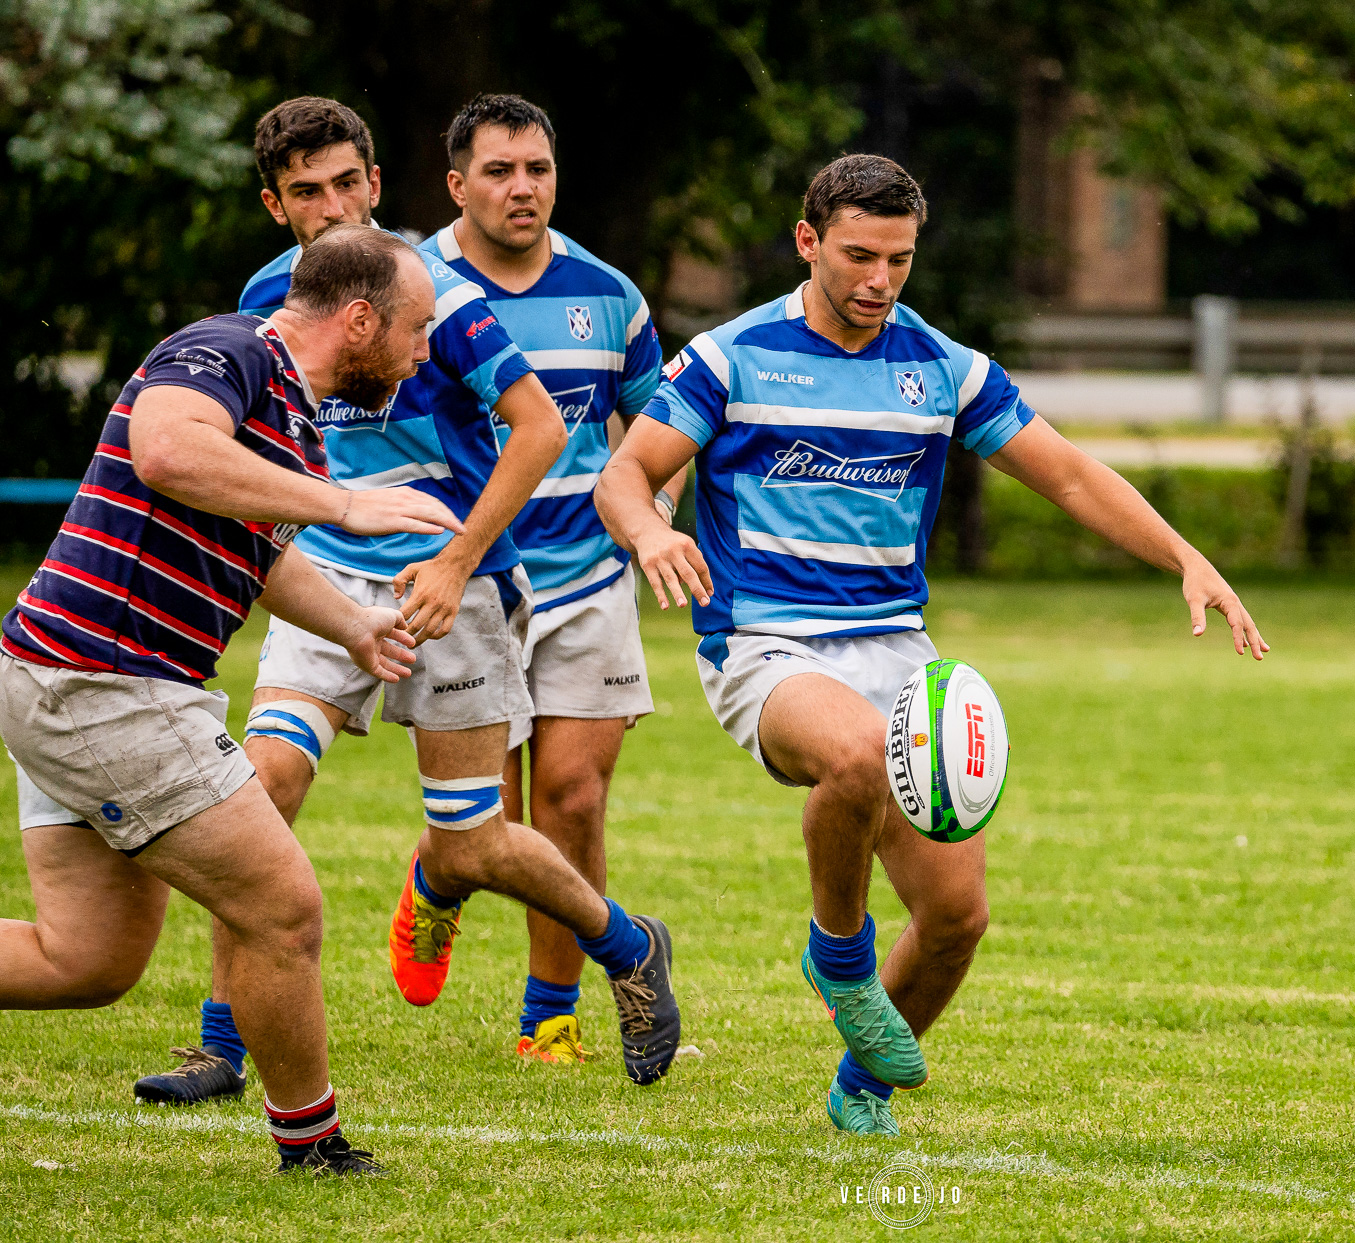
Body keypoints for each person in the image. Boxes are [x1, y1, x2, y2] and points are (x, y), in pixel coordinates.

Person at [597, 154, 1270, 1136]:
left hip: (897, 650)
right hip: (765, 646)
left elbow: (1072, 477)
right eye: (859, 256)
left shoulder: (942, 368)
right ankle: (838, 951)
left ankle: (861, 1086)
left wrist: (1184, 556)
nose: (878, 281)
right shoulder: (732, 358)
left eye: (900, 261)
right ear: (807, 241)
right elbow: (625, 473)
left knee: (957, 920)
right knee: (856, 755)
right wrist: (653, 529)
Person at [130, 96, 680, 1106]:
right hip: (327, 581)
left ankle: (629, 943)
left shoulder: (443, 296)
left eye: (348, 183)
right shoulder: (263, 302)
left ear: (379, 186)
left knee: (471, 839)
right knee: (260, 788)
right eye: (308, 191)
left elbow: (543, 430)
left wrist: (456, 560)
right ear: (274, 204)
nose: (334, 206)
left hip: (450, 587)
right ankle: (221, 1045)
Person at [1, 227, 462, 1173]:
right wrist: (344, 506)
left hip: (71, 680)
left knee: (84, 959)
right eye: (418, 331)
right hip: (106, 684)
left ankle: (309, 1136)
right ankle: (314, 1142)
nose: (425, 355)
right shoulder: (229, 348)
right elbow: (167, 451)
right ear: (361, 318)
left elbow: (257, 544)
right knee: (283, 906)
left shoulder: (291, 412)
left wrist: (354, 626)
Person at [426, 94, 685, 1067]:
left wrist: (646, 526)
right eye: (498, 171)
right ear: (457, 185)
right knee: (479, 824)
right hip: (474, 585)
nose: (522, 187)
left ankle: (552, 1016)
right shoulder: (419, 288)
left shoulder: (609, 292)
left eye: (536, 168)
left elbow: (658, 432)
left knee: (571, 799)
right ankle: (437, 883)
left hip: (587, 577)